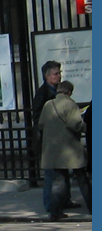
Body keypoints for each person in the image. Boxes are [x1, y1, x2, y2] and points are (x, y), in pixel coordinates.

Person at [39, 80, 91, 222]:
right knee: (82, 179)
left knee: (58, 181)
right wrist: (86, 128)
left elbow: (41, 123)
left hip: (53, 149)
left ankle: (55, 212)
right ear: (69, 92)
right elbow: (75, 124)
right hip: (70, 149)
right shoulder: (71, 104)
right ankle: (93, 207)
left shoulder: (48, 104)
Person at [31, 61, 67, 215]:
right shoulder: (43, 92)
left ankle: (64, 200)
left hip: (59, 138)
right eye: (55, 74)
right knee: (51, 174)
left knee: (62, 172)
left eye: (59, 73)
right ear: (47, 76)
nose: (58, 76)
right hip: (48, 138)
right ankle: (50, 204)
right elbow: (37, 115)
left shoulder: (57, 91)